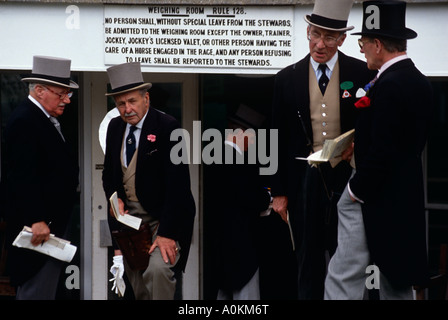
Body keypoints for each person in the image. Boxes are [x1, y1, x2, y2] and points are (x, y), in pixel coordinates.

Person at [324, 0, 432, 300]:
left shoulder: (389, 85)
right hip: (404, 194)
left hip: (374, 191)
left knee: (344, 272)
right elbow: (406, 143)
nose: (360, 49)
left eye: (363, 42)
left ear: (377, 44)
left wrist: (355, 190)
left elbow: (385, 150)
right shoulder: (420, 83)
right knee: (396, 277)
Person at [270, 0, 377, 299]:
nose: (320, 44)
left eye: (330, 37)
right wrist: (278, 191)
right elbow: (276, 137)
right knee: (307, 256)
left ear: (342, 39)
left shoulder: (362, 73)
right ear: (307, 32)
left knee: (351, 250)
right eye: (315, 34)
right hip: (304, 178)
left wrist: (356, 151)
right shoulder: (286, 78)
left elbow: (373, 127)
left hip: (348, 175)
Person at [102, 62, 196, 300]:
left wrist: (167, 233)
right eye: (121, 103)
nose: (127, 108)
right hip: (130, 224)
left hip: (163, 221)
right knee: (138, 283)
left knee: (158, 271)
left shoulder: (167, 127)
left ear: (147, 98)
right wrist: (116, 201)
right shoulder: (114, 127)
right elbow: (109, 176)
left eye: (132, 101)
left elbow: (179, 187)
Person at [2, 55, 79, 299]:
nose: (66, 100)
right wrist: (36, 219)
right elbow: (22, 176)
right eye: (61, 94)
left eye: (68, 94)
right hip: (38, 230)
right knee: (36, 289)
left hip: (49, 226)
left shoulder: (44, 118)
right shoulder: (25, 120)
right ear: (39, 90)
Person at [208, 104, 272, 300]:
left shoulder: (215, 154)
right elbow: (248, 196)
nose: (253, 142)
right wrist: (268, 198)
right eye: (252, 136)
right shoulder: (236, 159)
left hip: (220, 245)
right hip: (240, 244)